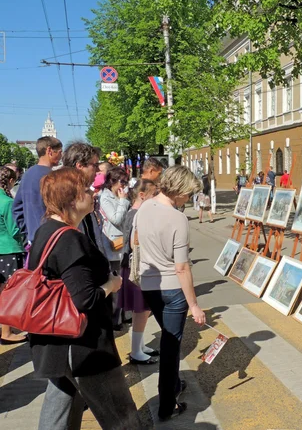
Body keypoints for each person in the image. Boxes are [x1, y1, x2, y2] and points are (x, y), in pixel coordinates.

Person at [28, 167, 142, 429]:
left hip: (53, 342)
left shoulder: (47, 231)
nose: (93, 193)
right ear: (71, 199)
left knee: (60, 411)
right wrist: (111, 285)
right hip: (82, 347)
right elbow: (85, 299)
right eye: (85, 190)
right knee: (121, 416)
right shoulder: (69, 240)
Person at [136, 165, 206, 421]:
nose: (188, 199)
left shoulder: (144, 206)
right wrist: (194, 305)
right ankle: (167, 405)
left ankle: (174, 385)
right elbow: (181, 267)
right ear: (177, 190)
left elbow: (138, 242)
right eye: (187, 194)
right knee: (170, 345)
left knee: (167, 338)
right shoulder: (177, 219)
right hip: (172, 289)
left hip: (149, 284)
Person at [119, 179, 159, 365]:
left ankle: (140, 345)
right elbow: (136, 243)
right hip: (137, 267)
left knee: (141, 310)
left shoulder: (133, 212)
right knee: (142, 309)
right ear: (142, 195)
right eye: (153, 194)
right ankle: (136, 350)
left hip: (131, 266)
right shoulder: (137, 214)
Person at [98, 167, 131, 330]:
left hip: (122, 242)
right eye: (122, 182)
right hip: (112, 246)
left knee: (123, 281)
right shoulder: (105, 198)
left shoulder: (116, 195)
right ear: (112, 181)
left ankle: (122, 315)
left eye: (126, 182)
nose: (124, 185)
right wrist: (123, 200)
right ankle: (115, 319)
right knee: (116, 284)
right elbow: (116, 219)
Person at [13, 136, 63, 244]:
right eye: (59, 152)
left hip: (35, 239)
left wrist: (28, 234)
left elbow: (17, 208)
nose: (61, 156)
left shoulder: (27, 175)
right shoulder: (52, 177)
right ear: (49, 151)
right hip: (52, 238)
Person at [0, 167, 27, 345]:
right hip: (10, 250)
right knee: (7, 293)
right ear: (10, 181)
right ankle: (6, 331)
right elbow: (15, 230)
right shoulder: (7, 202)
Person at [61, 142, 101, 244]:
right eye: (95, 165)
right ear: (80, 166)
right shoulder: (64, 195)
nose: (98, 170)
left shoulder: (80, 193)